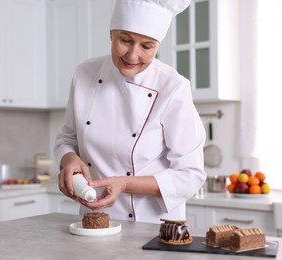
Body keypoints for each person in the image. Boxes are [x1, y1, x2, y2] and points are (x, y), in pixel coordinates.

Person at [54, 0, 207, 224]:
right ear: (111, 34)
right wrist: (69, 160)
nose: (133, 55)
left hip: (153, 227)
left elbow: (190, 175)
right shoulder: (84, 74)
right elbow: (67, 138)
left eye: (147, 47)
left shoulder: (173, 87)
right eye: (125, 40)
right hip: (94, 219)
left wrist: (125, 184)